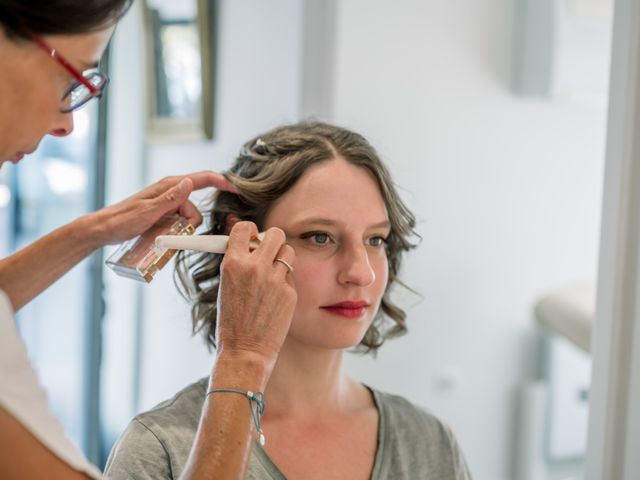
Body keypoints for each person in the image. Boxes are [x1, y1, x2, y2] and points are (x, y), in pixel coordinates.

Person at [104, 121, 473, 479]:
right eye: (319, 237)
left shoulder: (429, 442)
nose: (362, 273)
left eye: (375, 240)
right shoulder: (161, 448)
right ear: (241, 246)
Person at [0, 2, 236, 479]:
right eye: (72, 84)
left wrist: (95, 230)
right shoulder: (155, 441)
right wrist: (244, 364)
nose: (66, 124)